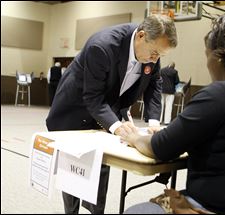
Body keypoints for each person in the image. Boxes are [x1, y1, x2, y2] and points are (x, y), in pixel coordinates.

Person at [122, 13, 225, 214]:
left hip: (224, 207)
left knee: (138, 211)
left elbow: (160, 148)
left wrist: (133, 137)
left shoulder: (218, 94)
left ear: (218, 56)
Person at [46, 14, 177, 214]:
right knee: (73, 168)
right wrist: (117, 127)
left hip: (107, 107)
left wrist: (153, 121)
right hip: (76, 107)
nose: (156, 59)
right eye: (154, 53)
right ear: (141, 36)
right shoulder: (102, 46)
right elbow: (92, 97)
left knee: (101, 163)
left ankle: (96, 211)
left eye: (160, 55)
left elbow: (154, 83)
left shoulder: (152, 49)